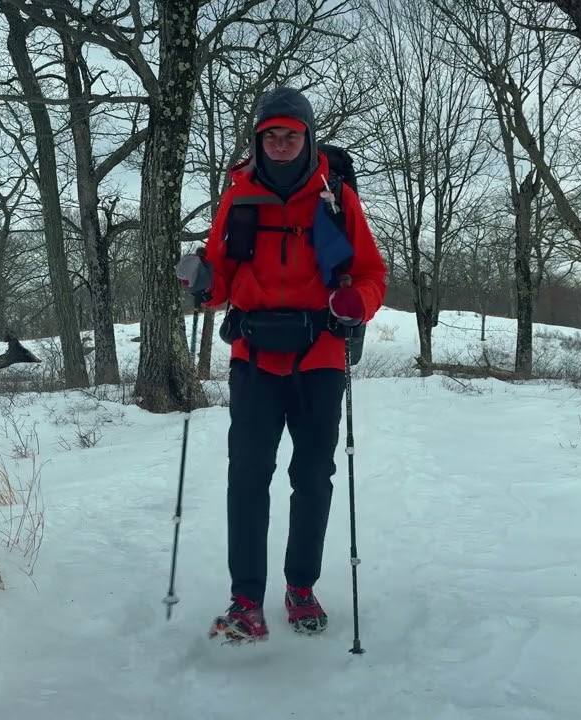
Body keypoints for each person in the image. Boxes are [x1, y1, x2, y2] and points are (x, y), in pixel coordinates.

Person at [175, 87, 387, 643]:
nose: (282, 142)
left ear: (308, 136)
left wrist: (354, 305)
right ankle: (246, 600)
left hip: (319, 357)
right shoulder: (239, 197)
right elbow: (219, 278)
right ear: (259, 139)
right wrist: (200, 281)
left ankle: (300, 588)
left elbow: (371, 274)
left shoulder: (336, 198)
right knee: (247, 478)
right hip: (253, 357)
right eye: (272, 134)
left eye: (292, 133)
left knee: (313, 477)